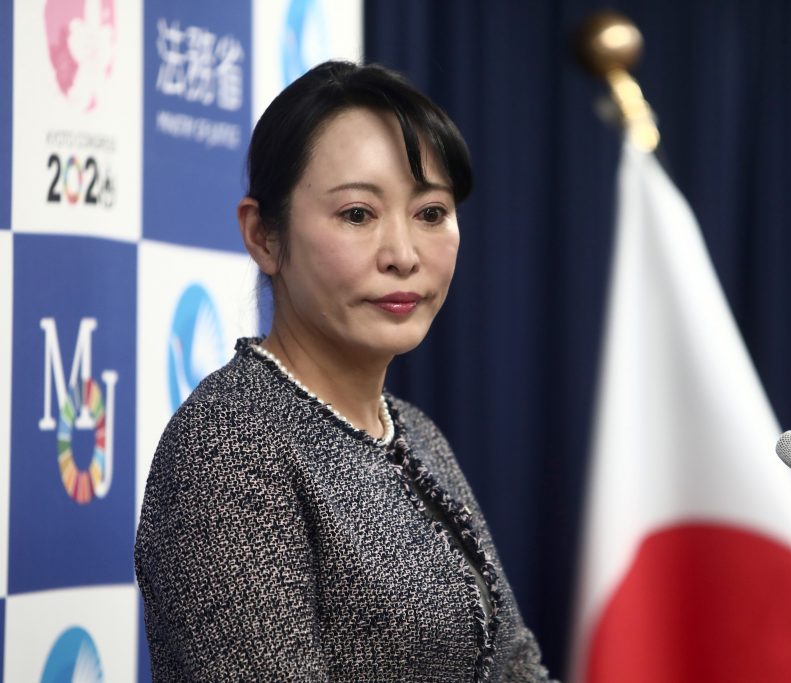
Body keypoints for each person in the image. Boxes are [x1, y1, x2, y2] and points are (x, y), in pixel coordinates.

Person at [135, 61, 555, 682]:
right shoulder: (229, 448)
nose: (404, 256)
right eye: (358, 214)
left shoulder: (413, 432)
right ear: (263, 236)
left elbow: (515, 665)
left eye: (431, 213)